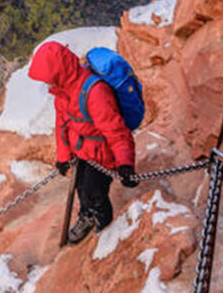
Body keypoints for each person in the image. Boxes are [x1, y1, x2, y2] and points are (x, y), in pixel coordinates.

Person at [27, 41, 140, 244]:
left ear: (59, 72)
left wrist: (125, 164)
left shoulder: (96, 93)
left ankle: (103, 222)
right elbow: (62, 126)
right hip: (82, 150)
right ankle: (87, 214)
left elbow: (116, 131)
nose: (47, 84)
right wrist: (63, 157)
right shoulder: (62, 92)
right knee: (81, 185)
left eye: (49, 79)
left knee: (94, 190)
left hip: (103, 153)